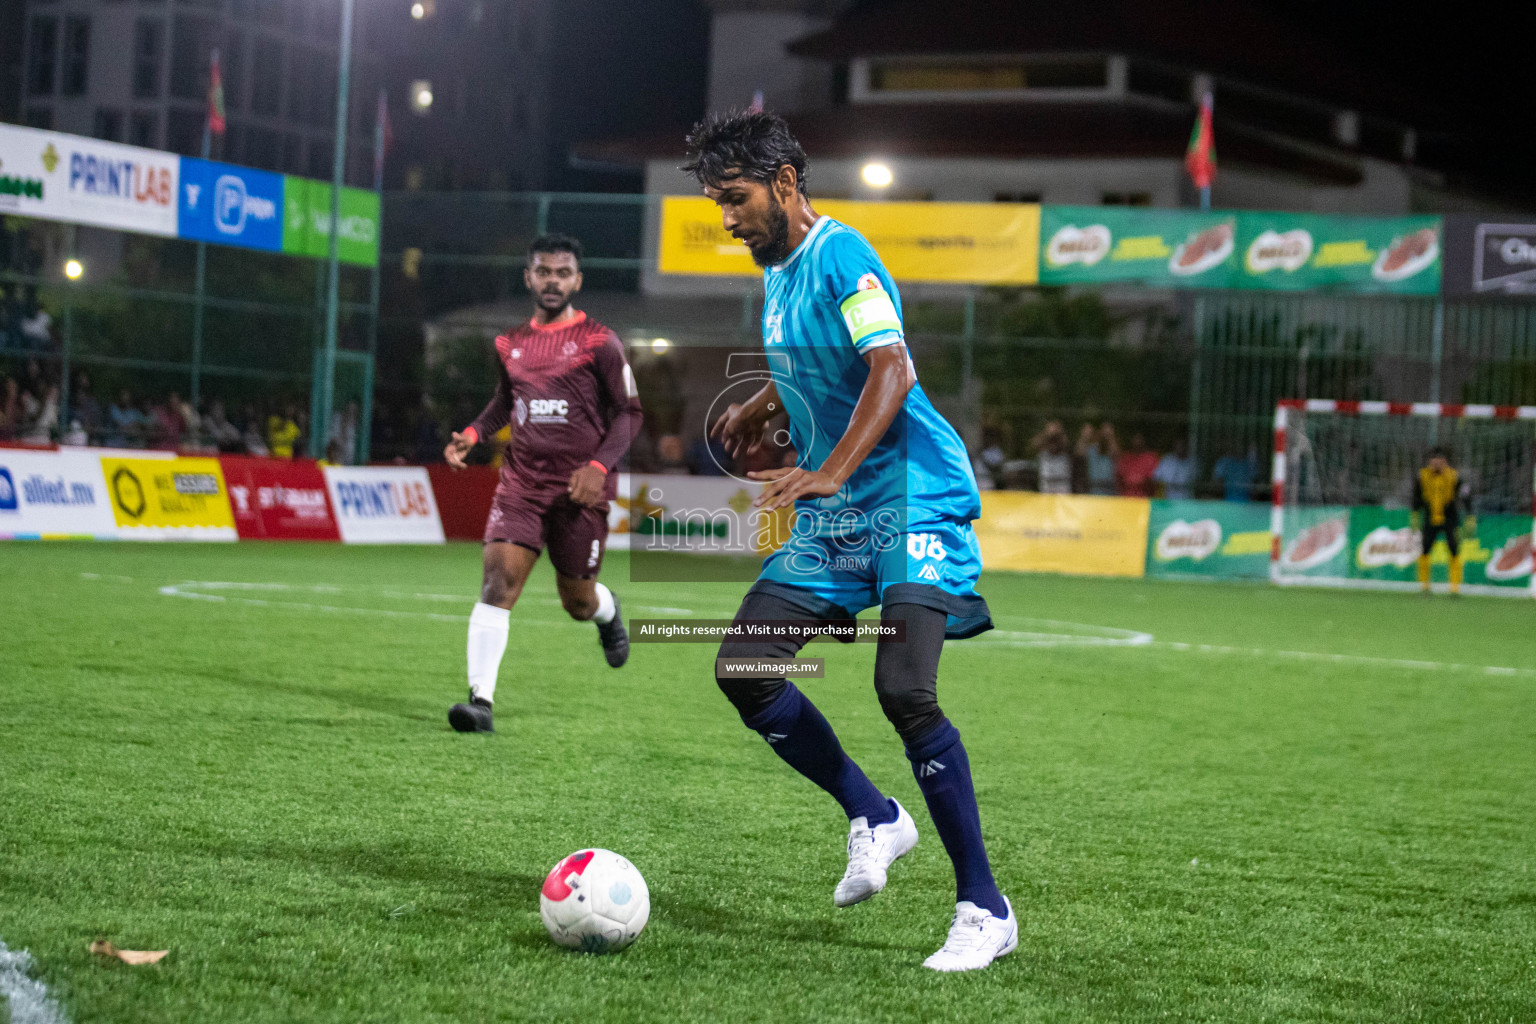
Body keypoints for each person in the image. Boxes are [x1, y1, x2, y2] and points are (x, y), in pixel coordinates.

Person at [686, 111, 1014, 972]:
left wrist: (828, 470)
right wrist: (756, 408)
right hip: (839, 520)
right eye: (716, 201)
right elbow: (810, 371)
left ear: (785, 183)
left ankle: (986, 908)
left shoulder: (844, 254)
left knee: (904, 688)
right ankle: (875, 814)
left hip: (910, 500)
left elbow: (891, 368)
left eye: (735, 198)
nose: (726, 218)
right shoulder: (778, 274)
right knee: (745, 668)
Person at [441, 233, 643, 733]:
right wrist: (472, 433)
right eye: (543, 271)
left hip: (581, 491)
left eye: (562, 272)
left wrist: (598, 469)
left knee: (578, 601)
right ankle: (480, 702)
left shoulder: (601, 341)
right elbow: (505, 404)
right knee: (497, 584)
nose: (552, 280)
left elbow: (629, 414)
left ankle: (607, 611)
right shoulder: (508, 344)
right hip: (522, 485)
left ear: (577, 279)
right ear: (528, 276)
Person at [1413, 447, 1467, 595]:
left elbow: (1465, 495)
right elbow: (1416, 496)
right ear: (1430, 461)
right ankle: (1424, 586)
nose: (1437, 463)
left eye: (1440, 460)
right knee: (1425, 549)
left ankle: (1454, 587)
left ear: (1445, 461)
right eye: (1434, 459)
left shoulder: (1454, 476)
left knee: (1454, 549)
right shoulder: (1422, 476)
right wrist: (1414, 514)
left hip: (1449, 518)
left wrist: (1470, 516)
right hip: (1430, 518)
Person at [1029, 419, 1072, 494]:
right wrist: (1046, 434)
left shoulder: (1062, 444)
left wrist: (1059, 432)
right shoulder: (1043, 444)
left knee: (1062, 505)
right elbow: (1033, 445)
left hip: (1062, 482)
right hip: (1047, 483)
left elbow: (1066, 445)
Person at [1076, 422, 1118, 496]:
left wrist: (1110, 436)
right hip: (1093, 489)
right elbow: (1079, 453)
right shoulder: (1091, 450)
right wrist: (1084, 437)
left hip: (1109, 490)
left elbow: (1116, 453)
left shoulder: (1109, 451)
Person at [1116, 432, 1159, 497]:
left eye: (1139, 438)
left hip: (1144, 497)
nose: (1137, 441)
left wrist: (1137, 481)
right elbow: (1119, 478)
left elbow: (1153, 482)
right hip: (1126, 497)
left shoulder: (1151, 458)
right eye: (1135, 438)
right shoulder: (1125, 457)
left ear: (1143, 440)